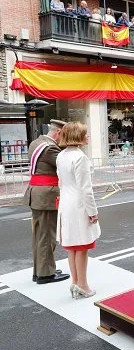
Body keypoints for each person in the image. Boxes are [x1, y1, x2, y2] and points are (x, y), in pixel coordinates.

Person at [56, 122, 101, 299]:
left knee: (72, 247)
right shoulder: (80, 158)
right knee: (81, 247)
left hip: (66, 202)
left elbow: (61, 182)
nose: (88, 136)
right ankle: (83, 284)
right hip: (78, 204)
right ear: (78, 137)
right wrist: (93, 212)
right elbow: (85, 189)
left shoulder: (61, 156)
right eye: (85, 133)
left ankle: (75, 282)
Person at [24, 119, 70, 285]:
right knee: (46, 236)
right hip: (46, 196)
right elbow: (65, 165)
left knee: (38, 235)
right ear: (58, 133)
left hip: (36, 194)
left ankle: (40, 271)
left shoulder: (36, 143)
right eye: (64, 135)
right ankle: (46, 274)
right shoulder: (50, 148)